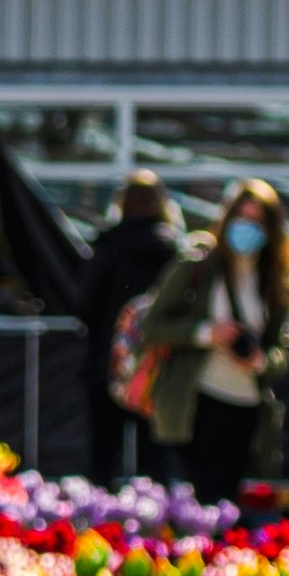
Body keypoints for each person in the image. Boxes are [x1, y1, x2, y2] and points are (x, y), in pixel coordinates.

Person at [130, 177, 289, 512]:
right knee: (193, 505)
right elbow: (153, 324)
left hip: (245, 406)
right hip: (195, 401)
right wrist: (207, 333)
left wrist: (258, 361)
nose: (247, 229)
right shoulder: (198, 265)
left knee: (231, 507)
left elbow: (280, 353)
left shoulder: (280, 283)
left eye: (257, 222)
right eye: (241, 219)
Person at [75, 167, 176, 478]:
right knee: (155, 460)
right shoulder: (172, 251)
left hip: (107, 364)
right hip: (156, 366)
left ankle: (99, 523)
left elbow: (85, 305)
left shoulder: (107, 247)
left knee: (103, 458)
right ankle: (156, 522)